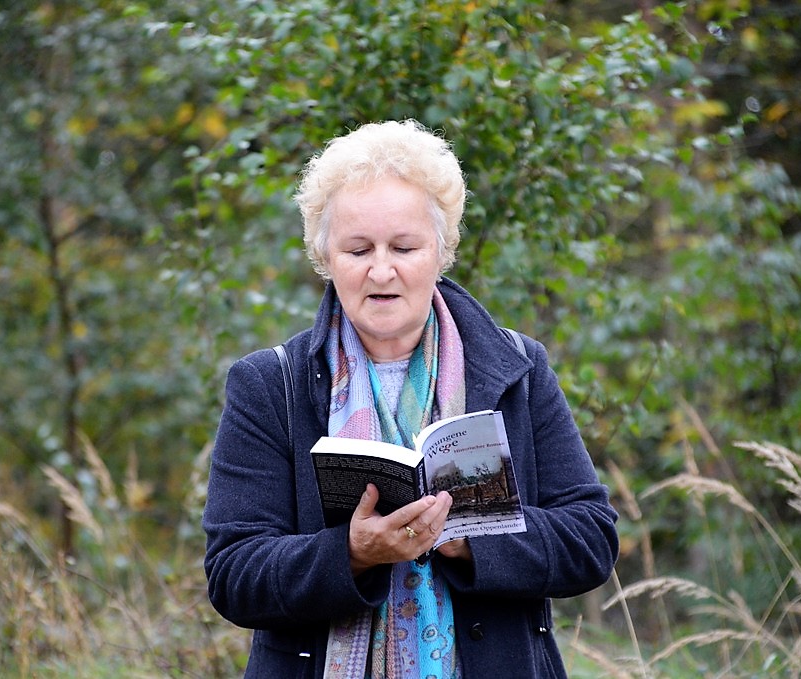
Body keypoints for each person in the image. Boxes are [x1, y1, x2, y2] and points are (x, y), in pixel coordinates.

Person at [203, 120, 618, 678]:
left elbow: (591, 539)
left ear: (441, 251)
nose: (382, 270)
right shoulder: (270, 385)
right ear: (325, 256)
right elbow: (234, 575)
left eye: (404, 247)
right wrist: (351, 554)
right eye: (357, 249)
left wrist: (466, 540)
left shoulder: (517, 369)